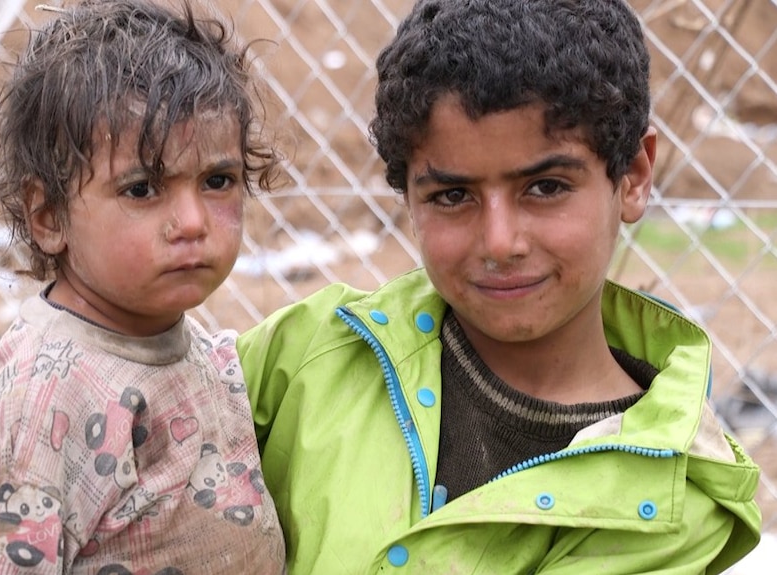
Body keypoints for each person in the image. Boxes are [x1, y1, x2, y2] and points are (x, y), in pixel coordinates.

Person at [237, 0, 762, 573]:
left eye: (545, 187)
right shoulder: (310, 356)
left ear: (632, 176)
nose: (499, 241)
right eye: (452, 196)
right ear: (408, 199)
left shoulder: (669, 504)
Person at [0, 1, 286, 573]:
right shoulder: (44, 402)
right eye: (143, 189)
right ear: (49, 216)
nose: (194, 222)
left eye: (217, 181)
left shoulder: (182, 340)